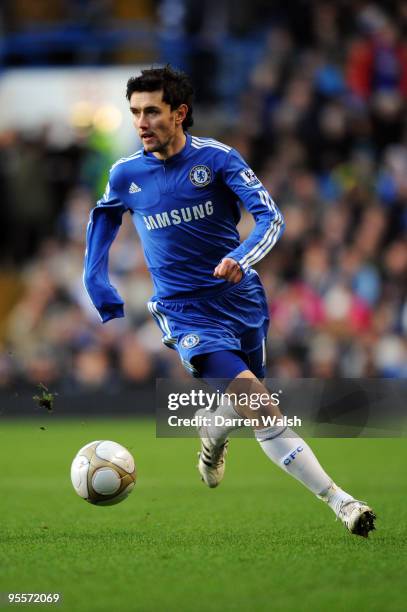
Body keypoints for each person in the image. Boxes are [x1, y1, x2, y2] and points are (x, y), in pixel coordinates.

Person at [83, 65, 375, 537]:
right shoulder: (125, 174)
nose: (141, 123)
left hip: (240, 301)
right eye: (135, 112)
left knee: (246, 397)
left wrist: (240, 257)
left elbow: (271, 218)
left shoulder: (217, 160)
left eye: (152, 111)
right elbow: (102, 221)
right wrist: (97, 283)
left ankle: (211, 435)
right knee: (259, 404)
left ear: (179, 113)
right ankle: (341, 502)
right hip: (184, 311)